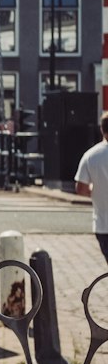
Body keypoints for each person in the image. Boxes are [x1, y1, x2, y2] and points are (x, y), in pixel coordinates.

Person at [73, 111, 108, 264]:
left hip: (103, 225)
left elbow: (81, 188)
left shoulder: (91, 156)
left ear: (102, 129)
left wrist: (96, 191)